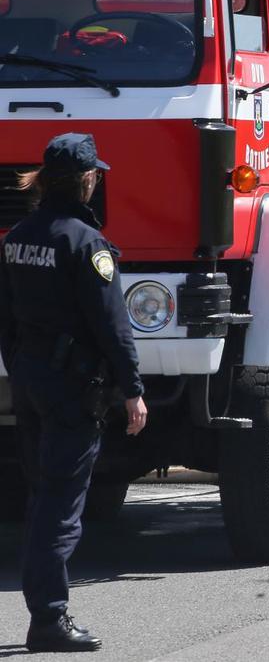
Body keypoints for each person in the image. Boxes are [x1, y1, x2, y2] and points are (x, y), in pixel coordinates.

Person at [0, 133, 148, 653]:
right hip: (71, 389)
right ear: (88, 180)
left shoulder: (18, 237)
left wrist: (20, 367)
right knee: (60, 505)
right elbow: (113, 326)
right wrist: (132, 389)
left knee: (42, 493)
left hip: (30, 382)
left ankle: (45, 609)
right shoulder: (87, 245)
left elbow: (6, 317)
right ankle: (49, 618)